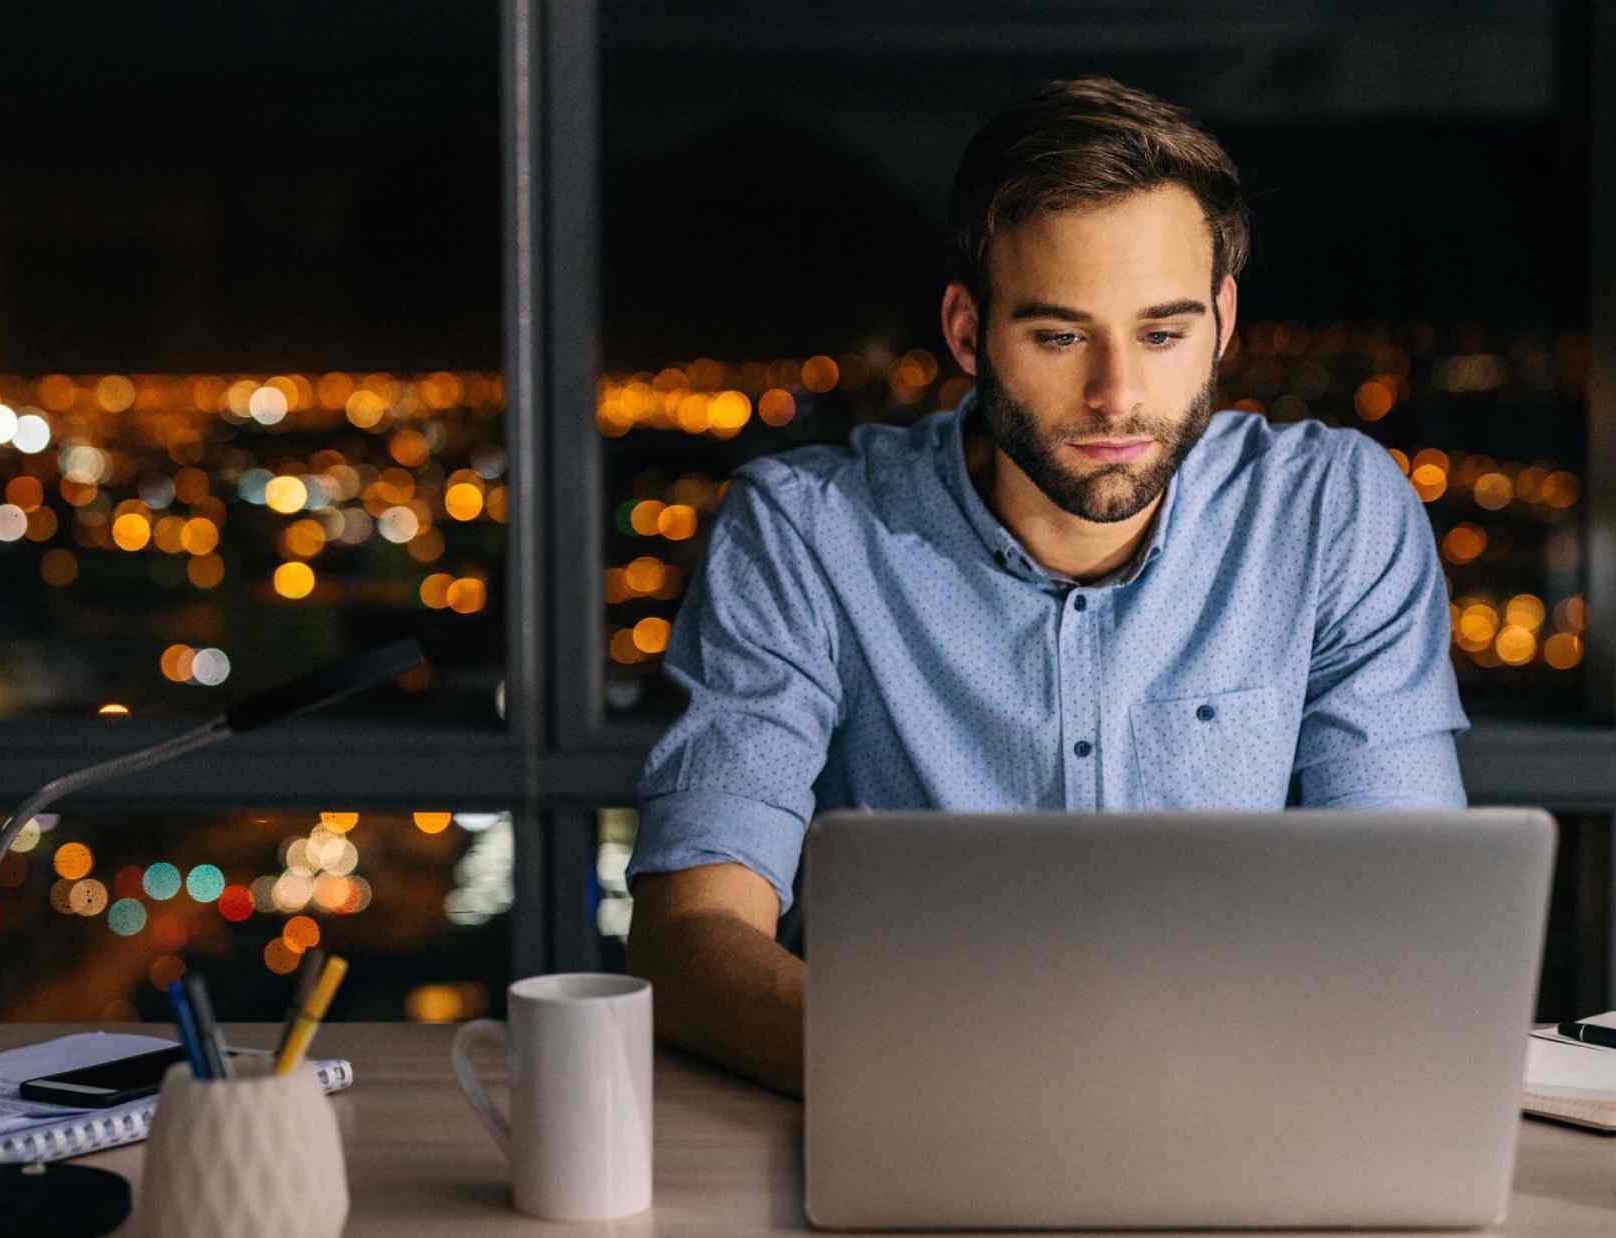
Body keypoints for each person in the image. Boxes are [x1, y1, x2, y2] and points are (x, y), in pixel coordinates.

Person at [624, 76, 1469, 1096]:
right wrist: (934, 1082)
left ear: (1223, 319)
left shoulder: (1333, 511)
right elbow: (693, 934)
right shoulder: (805, 531)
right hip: (899, 1108)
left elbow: (1404, 919)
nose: (1116, 393)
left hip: (1236, 1108)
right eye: (1060, 336)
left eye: (1161, 335)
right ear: (968, 331)